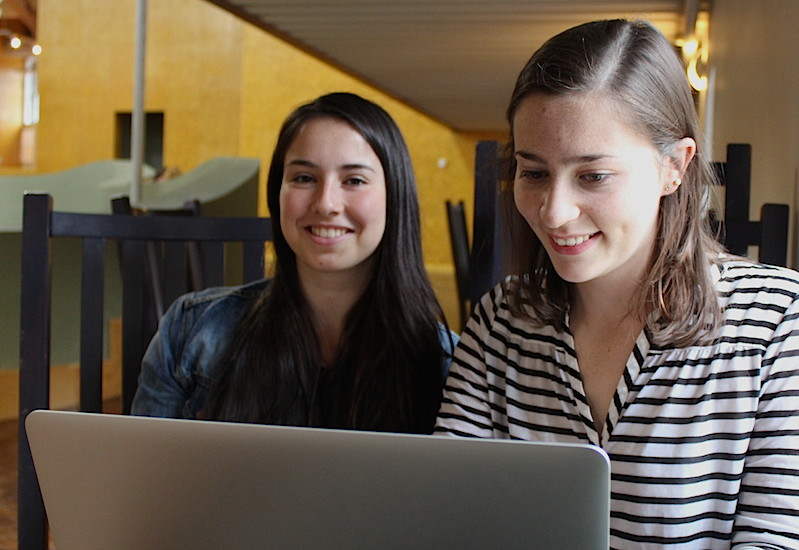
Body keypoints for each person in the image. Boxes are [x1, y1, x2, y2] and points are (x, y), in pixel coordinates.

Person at [435, 19, 799, 548]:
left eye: (593, 176)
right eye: (533, 173)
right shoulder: (502, 322)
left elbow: (776, 538)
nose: (555, 212)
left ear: (674, 166)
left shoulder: (776, 322)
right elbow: (447, 514)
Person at [132, 92, 457, 434]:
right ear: (278, 193)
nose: (326, 203)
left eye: (354, 180)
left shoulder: (446, 361)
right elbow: (140, 475)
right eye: (304, 178)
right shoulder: (191, 332)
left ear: (396, 196)